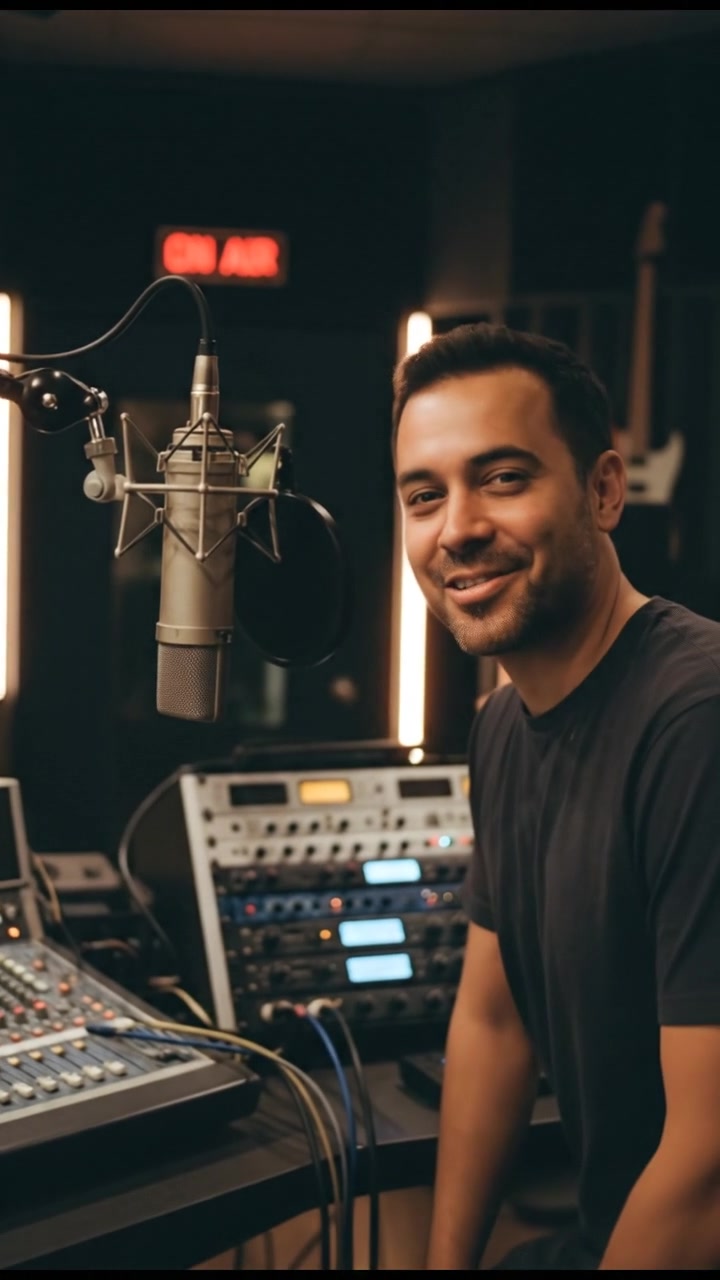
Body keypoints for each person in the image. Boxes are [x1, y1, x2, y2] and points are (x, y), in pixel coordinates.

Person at [392, 323, 720, 1270]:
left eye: (503, 478)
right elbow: (493, 1026)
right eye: (425, 495)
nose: (457, 528)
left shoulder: (696, 720)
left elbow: (708, 1166)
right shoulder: (502, 728)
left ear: (604, 491)